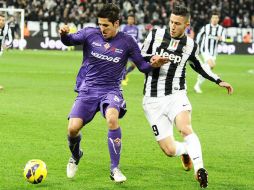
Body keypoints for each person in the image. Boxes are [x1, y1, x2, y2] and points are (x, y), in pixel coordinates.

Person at [59, 3, 168, 183]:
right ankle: (76, 155)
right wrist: (63, 34)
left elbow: (142, 66)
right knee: (72, 129)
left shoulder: (127, 42)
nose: (102, 29)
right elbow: (69, 41)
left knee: (112, 118)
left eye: (106, 26)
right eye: (100, 24)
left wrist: (153, 66)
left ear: (116, 23)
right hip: (88, 89)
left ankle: (114, 169)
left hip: (111, 90)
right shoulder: (89, 33)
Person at [141, 2, 233, 188]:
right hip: (152, 100)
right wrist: (153, 61)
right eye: (171, 22)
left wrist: (218, 80)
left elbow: (198, 66)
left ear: (187, 25)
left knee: (185, 127)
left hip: (176, 94)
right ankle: (184, 151)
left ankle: (200, 169)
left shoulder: (190, 45)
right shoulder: (154, 35)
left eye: (178, 23)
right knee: (168, 150)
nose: (173, 26)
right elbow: (139, 58)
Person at [194, 10, 226, 93]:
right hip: (205, 50)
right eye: (213, 18)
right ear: (211, 19)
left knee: (207, 68)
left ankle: (197, 84)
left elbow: (223, 39)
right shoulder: (206, 27)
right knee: (212, 64)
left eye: (216, 18)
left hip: (213, 52)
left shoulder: (221, 29)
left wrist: (221, 39)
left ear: (218, 19)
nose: (215, 19)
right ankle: (214, 76)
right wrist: (196, 45)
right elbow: (199, 35)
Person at [121, 14, 139, 86]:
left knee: (134, 65)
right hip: (126, 48)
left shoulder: (136, 28)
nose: (130, 20)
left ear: (133, 20)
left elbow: (136, 38)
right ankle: (123, 79)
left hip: (133, 49)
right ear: (127, 20)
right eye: (129, 19)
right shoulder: (125, 28)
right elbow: (122, 37)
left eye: (132, 19)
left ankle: (125, 74)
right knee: (125, 64)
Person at [0, 14, 13, 91]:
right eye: (0, 20)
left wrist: (6, 45)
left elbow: (10, 40)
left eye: (3, 20)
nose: (1, 22)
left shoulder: (7, 28)